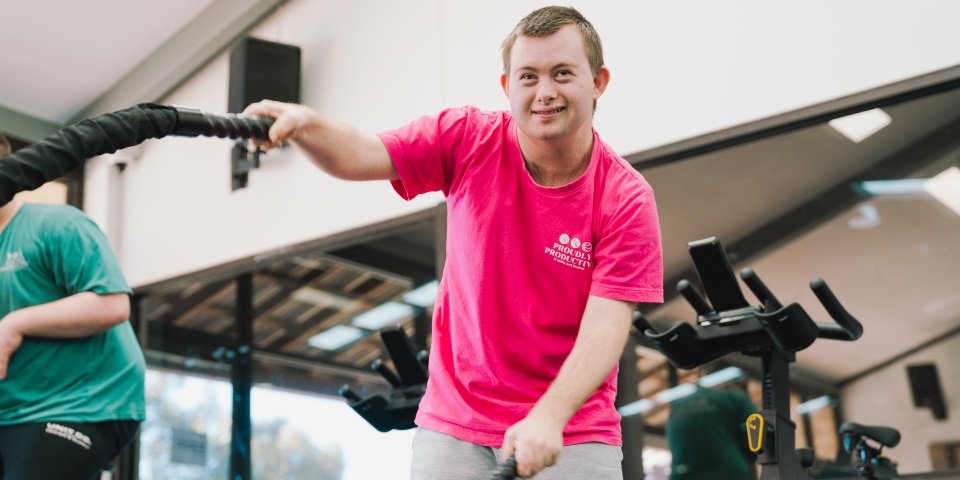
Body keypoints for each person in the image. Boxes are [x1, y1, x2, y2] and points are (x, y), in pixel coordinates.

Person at [244, 6, 663, 479]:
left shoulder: (626, 199)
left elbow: (606, 325)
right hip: (454, 422)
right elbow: (362, 153)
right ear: (507, 86)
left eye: (562, 73)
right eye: (528, 76)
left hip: (570, 430)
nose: (544, 92)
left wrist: (550, 415)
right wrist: (305, 125)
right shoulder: (467, 138)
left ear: (598, 82)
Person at [0, 132, 145, 480]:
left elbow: (112, 304)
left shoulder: (57, 225)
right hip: (12, 409)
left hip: (81, 404)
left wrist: (15, 323)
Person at [666, 380, 758, 480]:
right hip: (727, 474)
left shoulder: (677, 407)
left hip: (680, 475)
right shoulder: (736, 398)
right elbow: (756, 438)